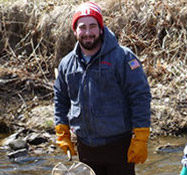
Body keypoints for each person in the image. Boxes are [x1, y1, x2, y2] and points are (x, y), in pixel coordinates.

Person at [53, 2, 151, 175]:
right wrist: (62, 131)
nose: (88, 33)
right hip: (86, 147)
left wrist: (141, 135)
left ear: (101, 28)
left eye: (93, 26)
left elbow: (140, 96)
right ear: (75, 31)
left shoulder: (123, 57)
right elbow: (60, 99)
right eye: (82, 27)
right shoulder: (67, 64)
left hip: (119, 146)